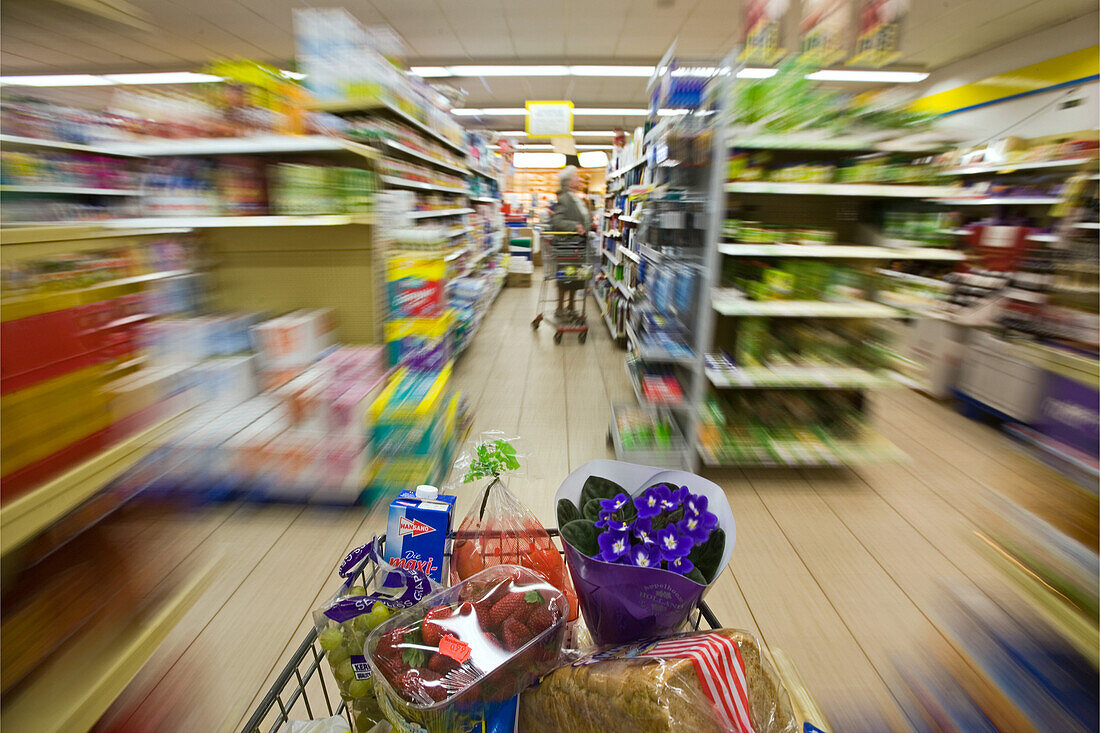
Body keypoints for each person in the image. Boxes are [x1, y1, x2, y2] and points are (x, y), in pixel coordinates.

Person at [548, 165, 590, 317]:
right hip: (567, 247)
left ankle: (571, 306)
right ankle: (560, 308)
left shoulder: (578, 200)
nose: (579, 179)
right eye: (576, 176)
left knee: (575, 278)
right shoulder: (565, 199)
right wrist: (575, 226)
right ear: (569, 181)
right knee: (565, 277)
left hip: (577, 247)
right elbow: (557, 220)